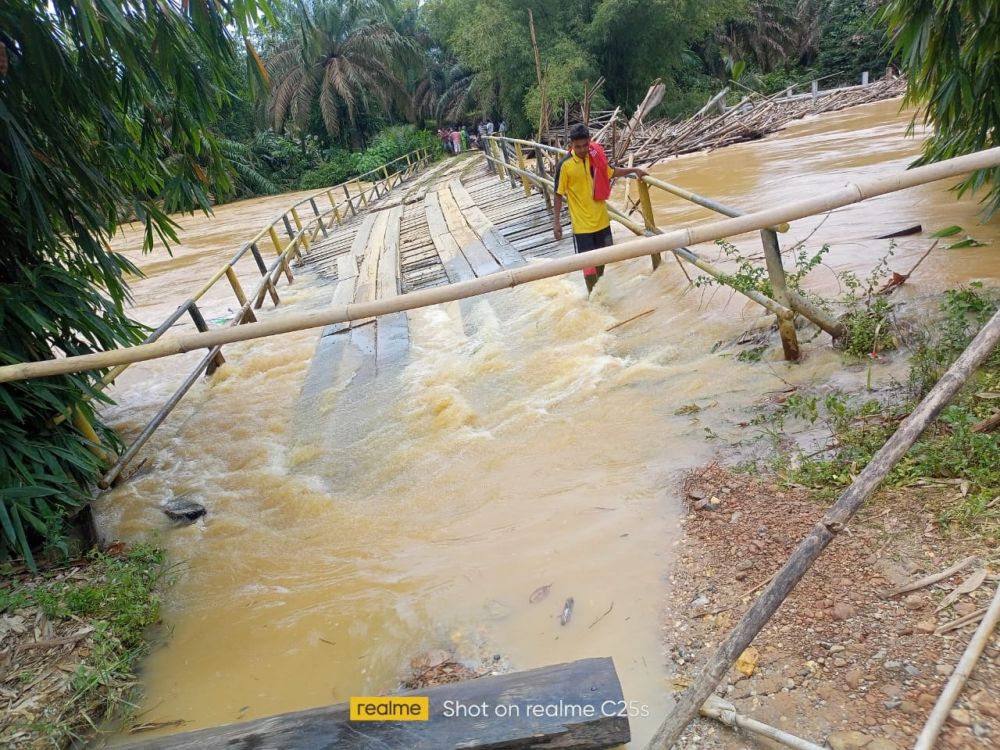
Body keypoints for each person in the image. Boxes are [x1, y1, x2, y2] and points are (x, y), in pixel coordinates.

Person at [553, 123, 647, 293]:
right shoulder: (565, 165)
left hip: (602, 220)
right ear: (571, 146)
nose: (582, 150)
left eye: (585, 145)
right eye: (578, 146)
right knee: (588, 265)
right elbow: (558, 194)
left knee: (603, 259)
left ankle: (598, 294)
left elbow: (611, 172)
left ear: (590, 141)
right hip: (582, 226)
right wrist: (557, 223)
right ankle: (594, 298)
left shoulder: (595, 157)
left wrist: (634, 170)